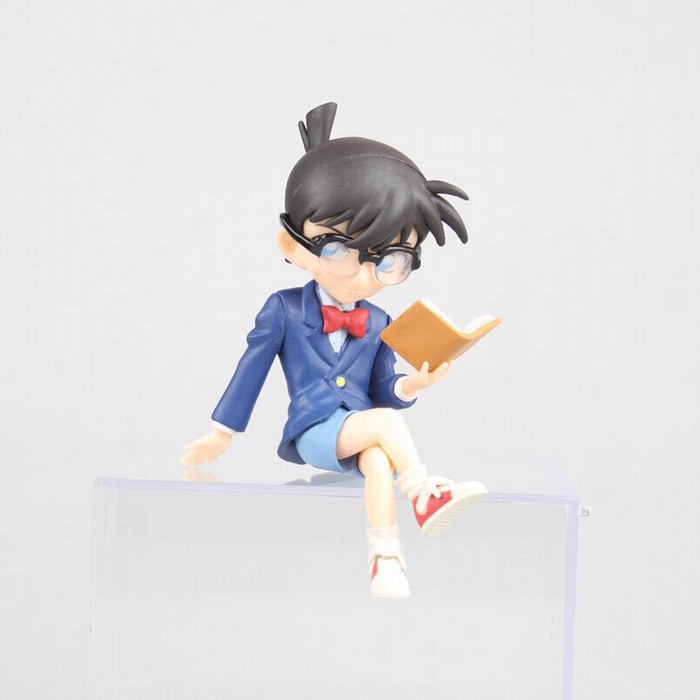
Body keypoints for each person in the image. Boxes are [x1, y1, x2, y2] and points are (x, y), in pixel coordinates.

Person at [181, 102, 487, 598]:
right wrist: (222, 433)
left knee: (378, 462)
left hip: (357, 428)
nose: (365, 276)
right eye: (340, 250)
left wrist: (415, 383)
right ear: (293, 246)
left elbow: (383, 388)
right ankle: (423, 493)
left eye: (390, 259)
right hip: (312, 430)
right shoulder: (284, 309)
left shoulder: (379, 321)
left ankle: (385, 559)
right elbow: (251, 369)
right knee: (386, 429)